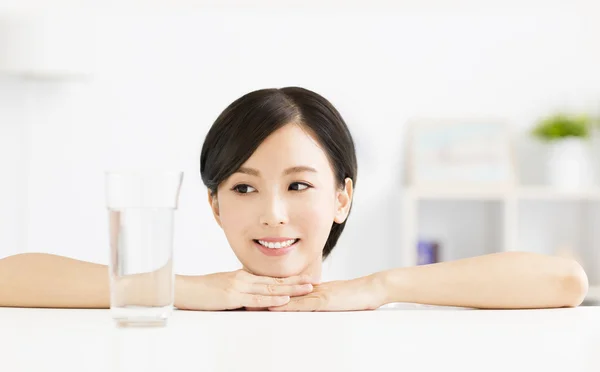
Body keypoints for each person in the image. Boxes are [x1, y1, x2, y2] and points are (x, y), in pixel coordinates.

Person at [0, 87, 589, 311]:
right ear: (214, 206)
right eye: (245, 187)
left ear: (343, 198)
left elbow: (566, 283)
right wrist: (185, 289)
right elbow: (8, 280)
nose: (273, 213)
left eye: (299, 185)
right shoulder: (187, 303)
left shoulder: (368, 304)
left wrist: (379, 286)